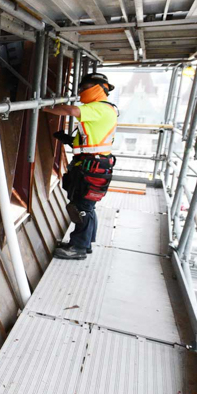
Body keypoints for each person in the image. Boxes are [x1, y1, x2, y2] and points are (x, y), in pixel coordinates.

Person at [42, 74, 119, 260]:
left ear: (98, 88)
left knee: (82, 207)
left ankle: (79, 248)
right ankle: (84, 243)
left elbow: (71, 111)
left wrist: (44, 107)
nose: (80, 91)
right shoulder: (104, 109)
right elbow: (91, 139)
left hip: (92, 165)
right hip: (93, 162)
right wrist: (69, 140)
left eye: (84, 87)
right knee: (87, 205)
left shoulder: (99, 108)